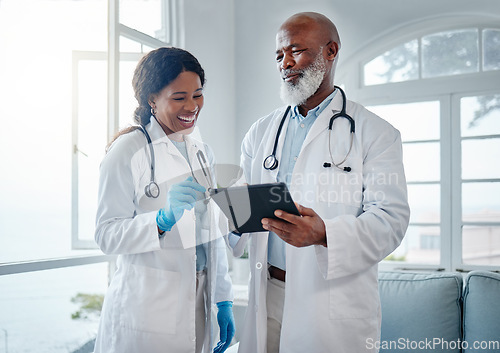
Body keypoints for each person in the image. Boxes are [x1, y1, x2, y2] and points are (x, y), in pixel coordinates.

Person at [228, 12, 410, 353]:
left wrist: (325, 233)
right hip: (266, 293)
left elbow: (391, 219)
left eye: (296, 50)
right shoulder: (261, 132)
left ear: (330, 51)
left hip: (328, 302)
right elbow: (243, 205)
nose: (286, 63)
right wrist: (227, 214)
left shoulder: (376, 132)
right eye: (280, 55)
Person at [94, 47, 235, 353]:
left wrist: (223, 296)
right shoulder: (128, 150)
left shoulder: (201, 151)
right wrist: (160, 221)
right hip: (148, 306)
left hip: (199, 296)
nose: (192, 106)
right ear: (152, 99)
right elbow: (106, 235)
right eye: (179, 97)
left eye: (197, 94)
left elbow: (212, 233)